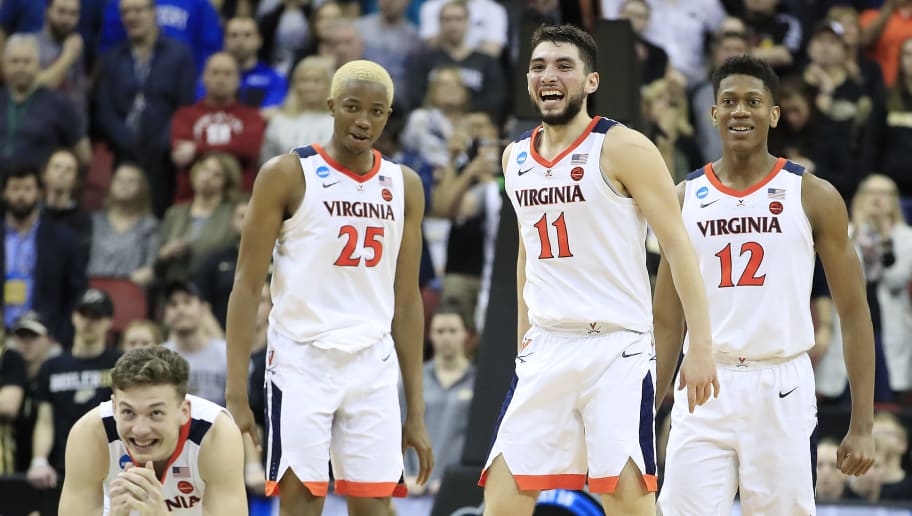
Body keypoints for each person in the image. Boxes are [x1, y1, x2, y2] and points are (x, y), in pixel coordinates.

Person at [480, 24, 718, 516]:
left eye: (564, 66)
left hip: (616, 348)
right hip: (547, 345)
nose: (550, 75)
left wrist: (701, 346)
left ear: (591, 81)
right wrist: (525, 337)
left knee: (626, 498)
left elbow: (678, 248)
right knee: (502, 493)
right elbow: (528, 252)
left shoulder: (623, 147)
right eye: (540, 66)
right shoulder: (514, 157)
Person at [654, 55, 876, 515]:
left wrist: (863, 424)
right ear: (713, 113)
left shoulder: (813, 195)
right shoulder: (682, 198)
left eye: (753, 101)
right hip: (704, 384)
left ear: (773, 114)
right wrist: (648, 410)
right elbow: (666, 320)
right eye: (729, 101)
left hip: (781, 382)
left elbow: (854, 313)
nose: (740, 111)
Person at [224, 59, 433, 515]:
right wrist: (236, 393)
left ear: (389, 115)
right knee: (301, 504)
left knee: (375, 507)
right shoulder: (286, 173)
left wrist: (415, 411)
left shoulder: (405, 185)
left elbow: (408, 301)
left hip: (371, 362)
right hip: (301, 359)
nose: (364, 120)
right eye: (353, 107)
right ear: (331, 106)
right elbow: (245, 284)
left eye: (377, 112)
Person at [58, 346, 246, 515]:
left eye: (155, 413)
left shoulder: (215, 434)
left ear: (184, 411)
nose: (140, 430)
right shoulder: (90, 433)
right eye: (128, 412)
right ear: (114, 408)